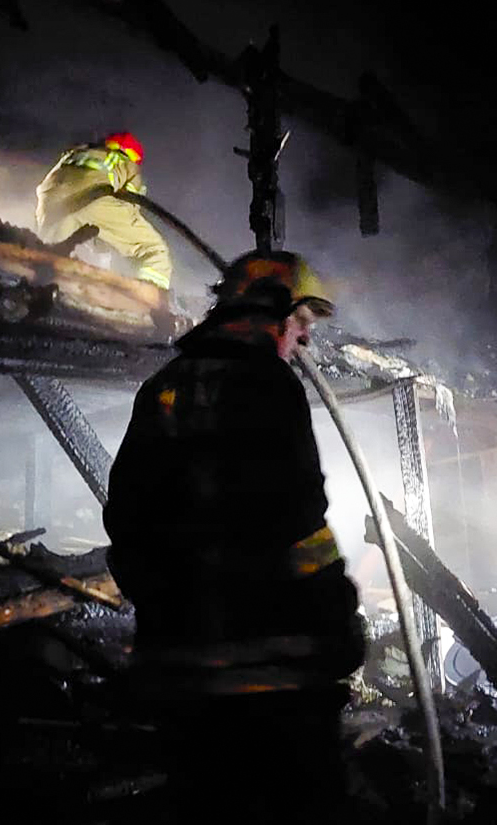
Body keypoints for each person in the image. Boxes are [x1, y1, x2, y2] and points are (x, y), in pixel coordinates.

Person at [103, 251, 365, 823]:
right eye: (301, 322)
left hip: (183, 678)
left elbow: (125, 519)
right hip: (276, 679)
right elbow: (297, 518)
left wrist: (165, 609)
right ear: (271, 309)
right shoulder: (267, 385)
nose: (304, 339)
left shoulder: (164, 387)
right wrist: (336, 609)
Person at [34, 131, 174, 307]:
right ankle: (148, 303)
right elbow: (129, 204)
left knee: (51, 252)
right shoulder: (126, 163)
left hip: (51, 204)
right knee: (153, 250)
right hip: (94, 198)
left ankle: (40, 287)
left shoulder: (75, 153)